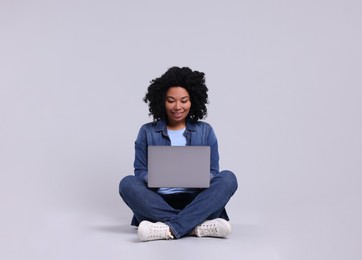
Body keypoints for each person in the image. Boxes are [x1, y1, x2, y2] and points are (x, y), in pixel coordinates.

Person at [119, 66, 238, 241]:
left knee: (228, 178)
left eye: (184, 100)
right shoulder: (147, 132)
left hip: (197, 199)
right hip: (158, 199)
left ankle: (168, 228)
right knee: (127, 183)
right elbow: (140, 172)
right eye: (171, 100)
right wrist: (158, 178)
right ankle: (196, 226)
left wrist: (196, 176)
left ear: (193, 101)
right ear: (161, 101)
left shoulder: (205, 131)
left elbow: (214, 171)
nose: (177, 107)